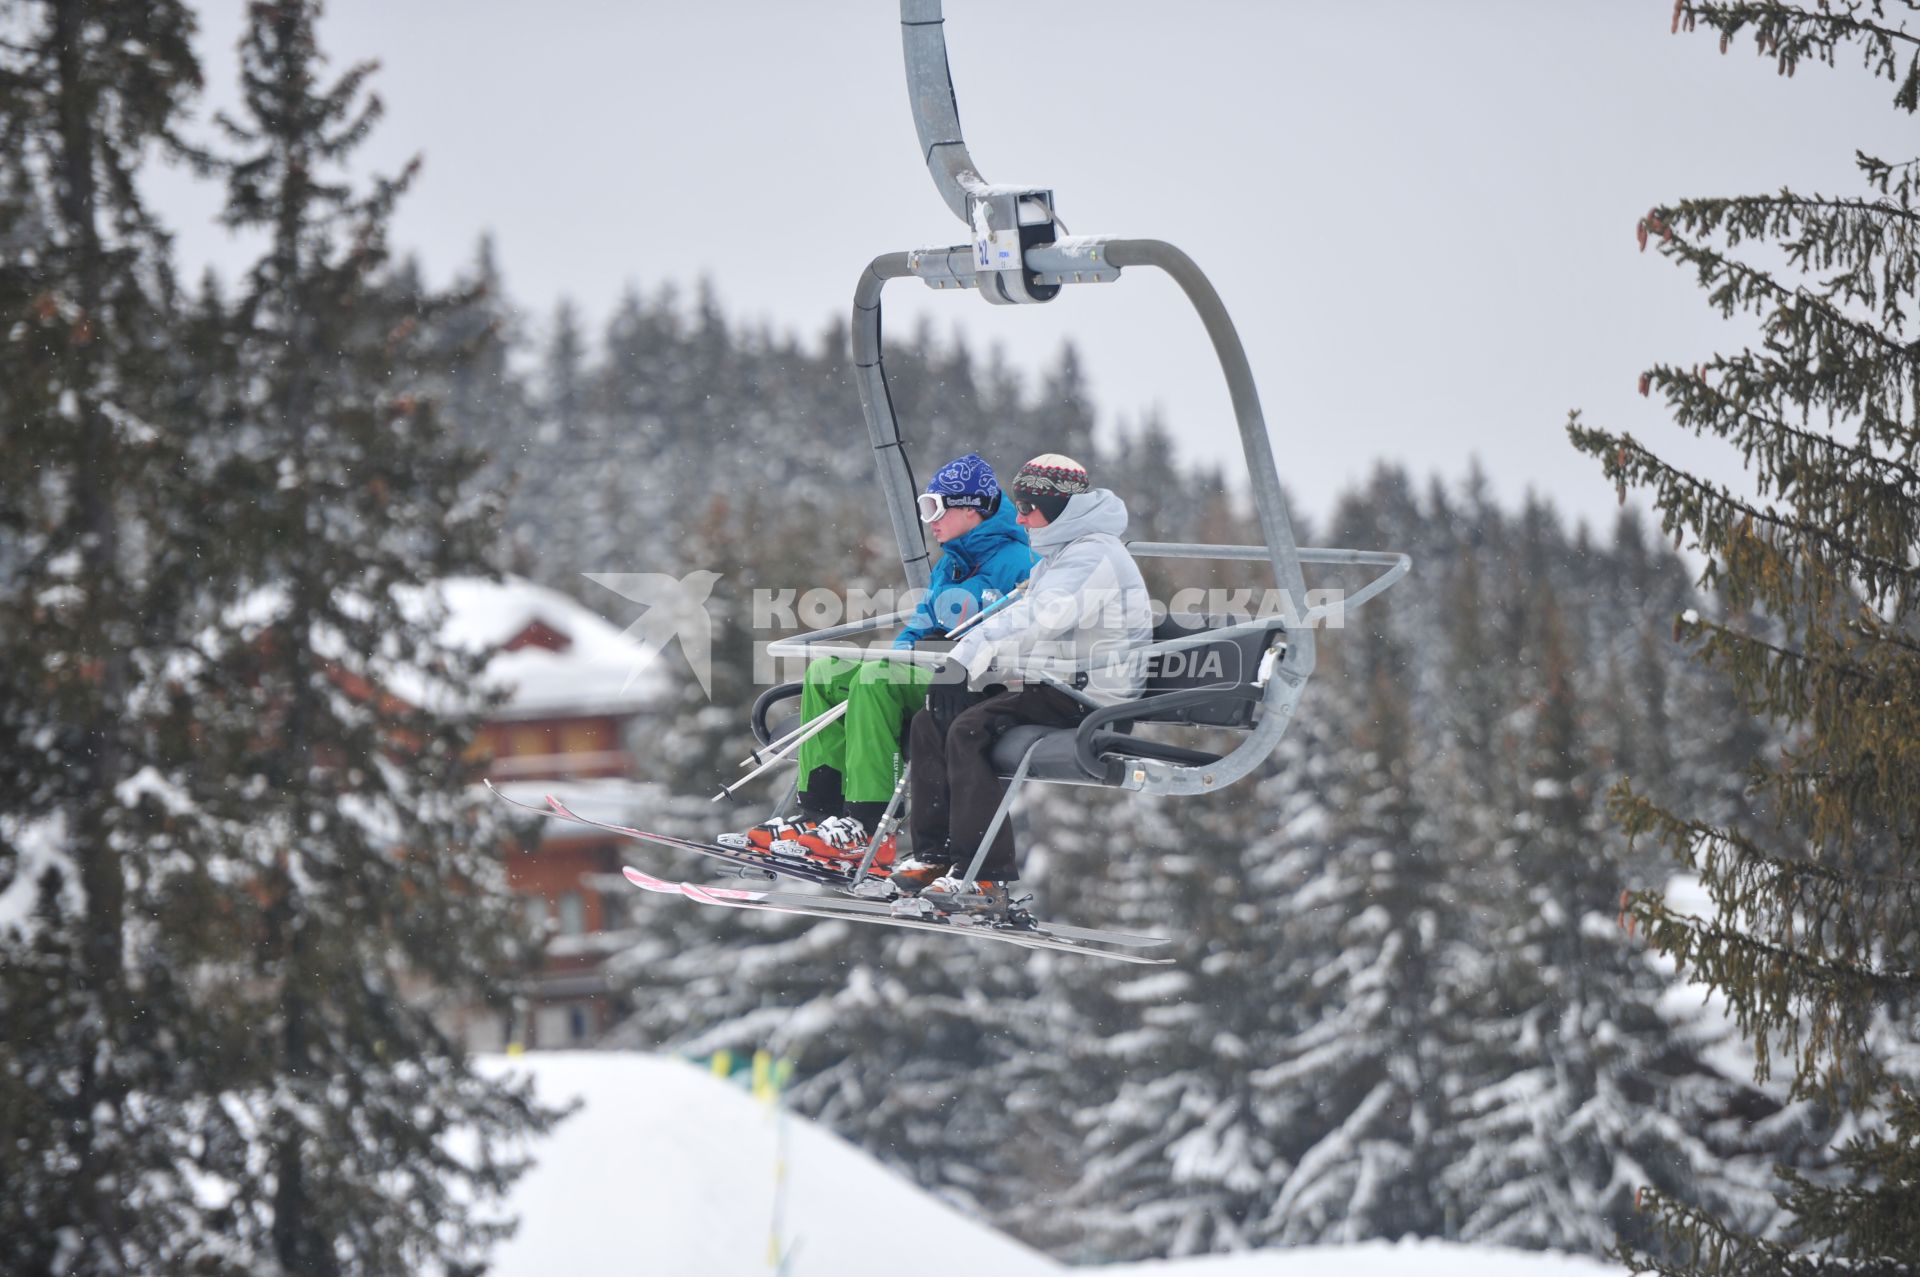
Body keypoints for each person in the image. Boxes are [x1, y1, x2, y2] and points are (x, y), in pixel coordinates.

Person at [725, 453, 1035, 867]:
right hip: (932, 669)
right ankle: (820, 811)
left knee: (875, 679)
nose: (931, 521)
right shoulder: (952, 564)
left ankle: (869, 825)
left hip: (973, 683)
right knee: (827, 671)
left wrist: (946, 654)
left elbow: (1017, 638)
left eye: (936, 509)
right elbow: (918, 627)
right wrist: (907, 651)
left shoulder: (1018, 563)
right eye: (925, 509)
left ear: (971, 508)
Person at [892, 454, 1153, 915]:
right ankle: (935, 856)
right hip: (1056, 682)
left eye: (1029, 506)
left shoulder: (1094, 555)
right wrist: (967, 667)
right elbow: (1021, 625)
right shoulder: (1061, 555)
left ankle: (985, 875)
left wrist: (967, 660)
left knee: (969, 729)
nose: (1019, 516)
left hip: (1094, 696)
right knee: (931, 721)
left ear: (1058, 508)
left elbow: (1040, 616)